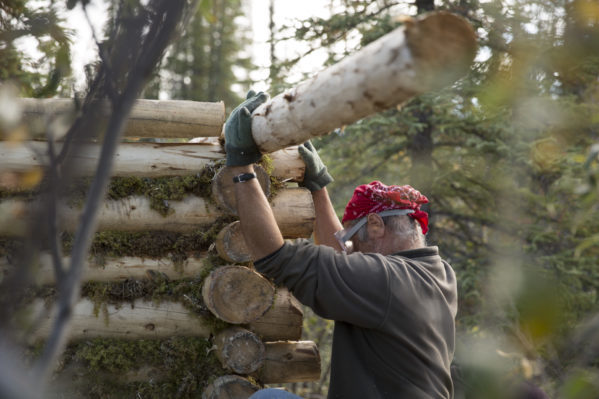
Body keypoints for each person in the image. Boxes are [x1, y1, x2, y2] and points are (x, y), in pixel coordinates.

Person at [224, 91, 458, 399]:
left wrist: (241, 167)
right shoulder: (439, 274)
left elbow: (276, 259)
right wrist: (317, 188)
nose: (349, 248)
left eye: (352, 238)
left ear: (375, 225)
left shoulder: (385, 280)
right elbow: (343, 257)